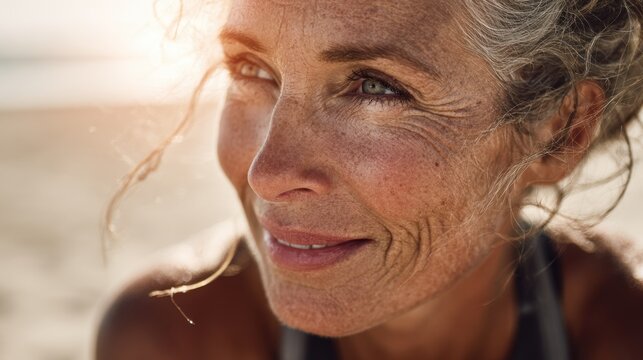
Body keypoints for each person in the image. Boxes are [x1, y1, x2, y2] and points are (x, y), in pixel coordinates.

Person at [96, 0, 643, 359]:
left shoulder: (620, 328)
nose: (267, 175)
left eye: (375, 87)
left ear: (559, 132)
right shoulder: (175, 337)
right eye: (252, 70)